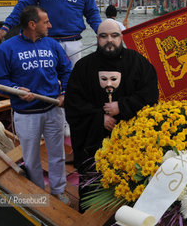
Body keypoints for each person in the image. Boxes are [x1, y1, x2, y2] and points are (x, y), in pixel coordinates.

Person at [64, 19, 159, 211]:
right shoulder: (83, 67)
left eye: (114, 36)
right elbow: (73, 104)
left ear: (121, 37)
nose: (109, 40)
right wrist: (100, 117)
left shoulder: (139, 63)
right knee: (92, 189)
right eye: (104, 36)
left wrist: (122, 107)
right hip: (92, 141)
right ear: (97, 38)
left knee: (130, 189)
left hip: (130, 141)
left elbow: (150, 95)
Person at [0, 5, 72, 204]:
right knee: (31, 158)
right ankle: (37, 191)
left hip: (53, 109)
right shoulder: (7, 48)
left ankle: (58, 190)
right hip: (26, 115)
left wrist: (64, 93)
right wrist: (16, 88)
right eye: (46, 22)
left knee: (57, 154)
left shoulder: (53, 45)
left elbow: (67, 71)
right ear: (32, 24)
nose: (50, 25)